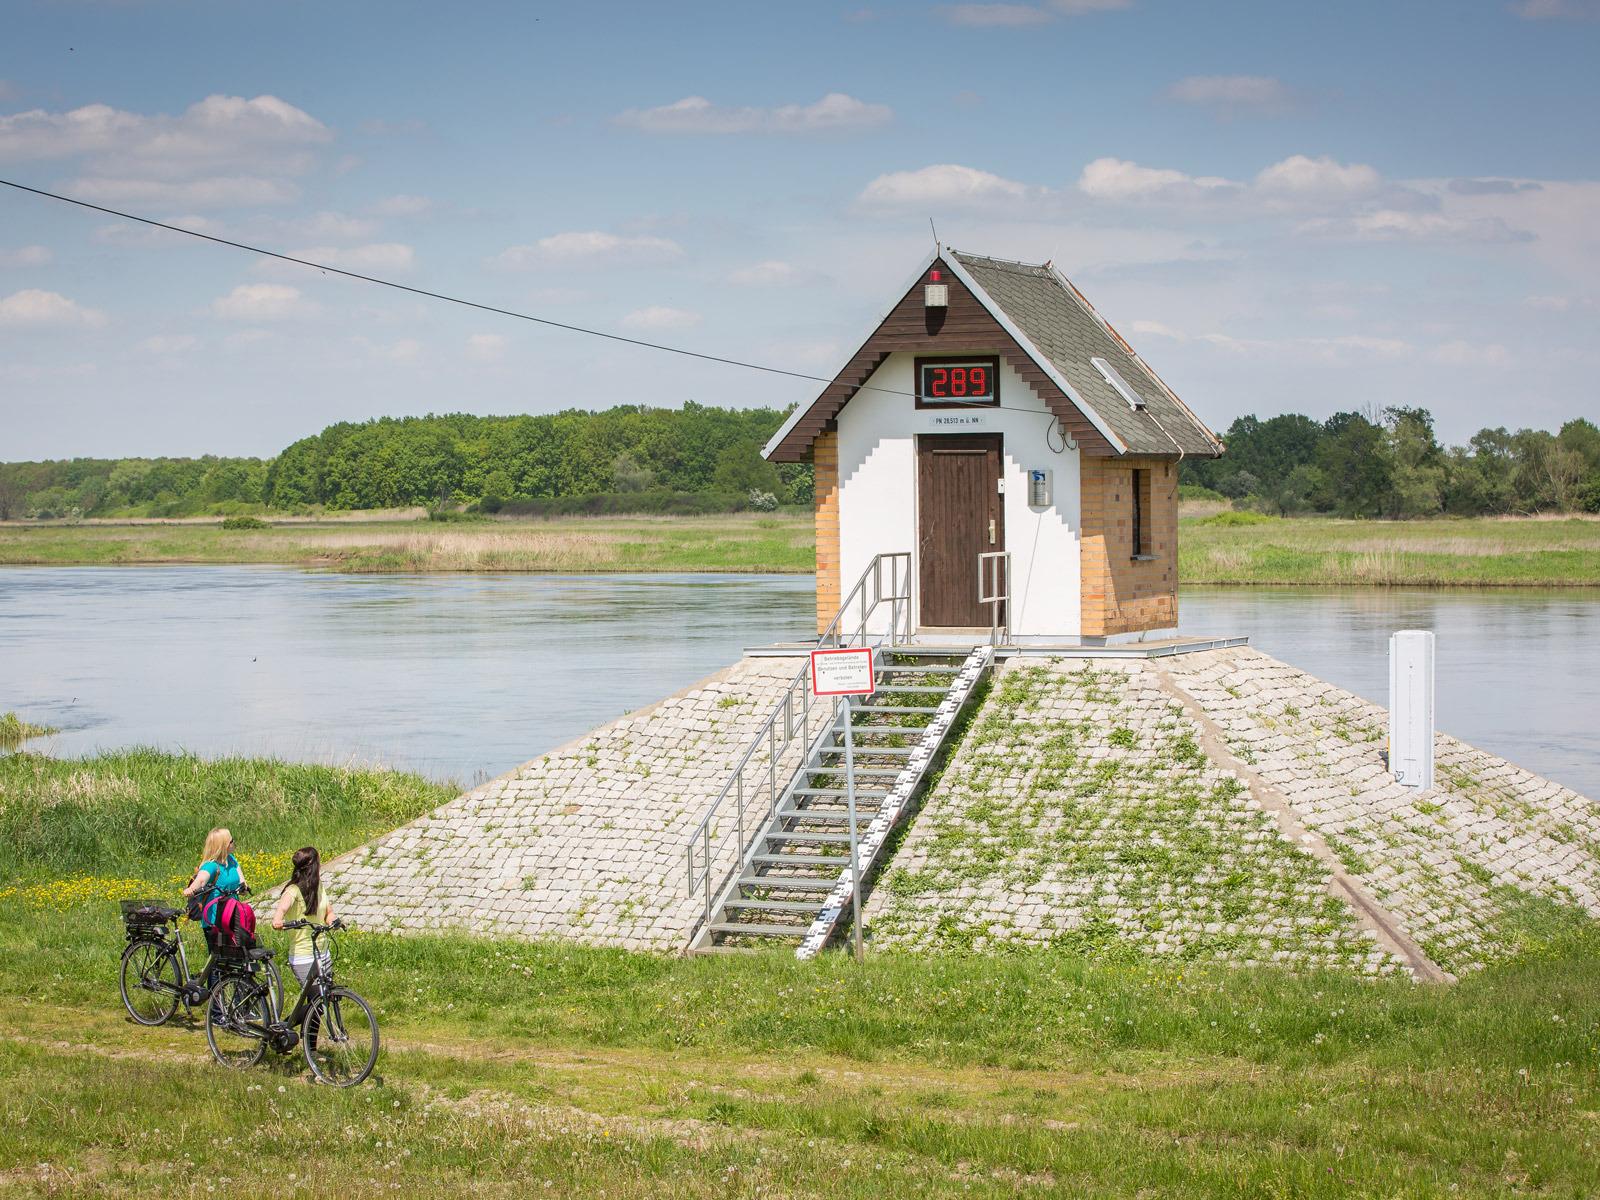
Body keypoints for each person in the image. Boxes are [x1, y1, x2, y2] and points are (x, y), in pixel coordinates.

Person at [270, 846, 335, 1048]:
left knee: (322, 1001)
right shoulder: (293, 891)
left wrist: (333, 920)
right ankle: (309, 1046)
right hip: (303, 955)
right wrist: (280, 922)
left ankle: (290, 1029)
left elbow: (328, 912)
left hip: (322, 952)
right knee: (317, 1000)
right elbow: (278, 916)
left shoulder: (318, 886)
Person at [181, 827, 249, 993]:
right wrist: (192, 889)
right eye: (231, 841)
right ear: (223, 844)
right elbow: (201, 880)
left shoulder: (232, 860)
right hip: (215, 921)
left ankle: (240, 1003)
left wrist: (244, 887)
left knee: (238, 959)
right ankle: (217, 1011)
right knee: (217, 962)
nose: (234, 843)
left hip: (233, 915)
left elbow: (241, 880)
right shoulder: (211, 866)